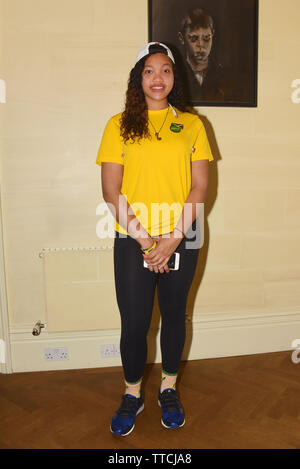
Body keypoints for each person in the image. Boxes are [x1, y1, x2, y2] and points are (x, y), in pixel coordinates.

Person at [96, 41, 213, 436]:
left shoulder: (194, 125)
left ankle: (168, 388)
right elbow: (112, 192)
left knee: (176, 315)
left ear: (174, 77)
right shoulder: (117, 125)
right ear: (138, 78)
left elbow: (199, 188)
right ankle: (132, 394)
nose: (157, 77)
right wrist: (149, 243)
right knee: (134, 322)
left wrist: (172, 239)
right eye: (149, 70)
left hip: (185, 232)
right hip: (134, 236)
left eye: (165, 69)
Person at [178, 8, 225, 103]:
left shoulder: (224, 75)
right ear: (181, 38)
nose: (201, 45)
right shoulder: (175, 74)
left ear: (213, 35)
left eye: (206, 38)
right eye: (193, 38)